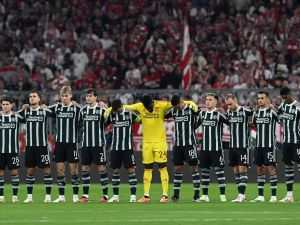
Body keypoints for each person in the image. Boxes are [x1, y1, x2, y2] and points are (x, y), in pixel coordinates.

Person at [104, 94, 197, 202]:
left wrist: (190, 103)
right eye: (146, 108)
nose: (149, 109)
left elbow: (176, 103)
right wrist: (109, 109)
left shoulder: (161, 105)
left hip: (159, 142)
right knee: (147, 168)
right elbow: (125, 107)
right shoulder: (139, 106)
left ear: (152, 102)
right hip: (147, 143)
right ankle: (146, 196)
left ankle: (165, 195)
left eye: (150, 107)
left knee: (162, 168)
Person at [18, 91, 53, 203]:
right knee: (30, 171)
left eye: (34, 97)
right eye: (30, 97)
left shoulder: (44, 110)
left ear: (39, 99)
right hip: (30, 147)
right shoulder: (25, 111)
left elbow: (58, 112)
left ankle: (48, 196)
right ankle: (29, 197)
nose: (32, 98)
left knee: (47, 170)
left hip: (42, 146)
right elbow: (13, 116)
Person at [48, 86, 81, 203]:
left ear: (71, 96)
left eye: (66, 96)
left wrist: (101, 105)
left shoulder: (77, 109)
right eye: (62, 96)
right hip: (60, 144)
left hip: (72, 143)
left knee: (73, 170)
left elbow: (89, 112)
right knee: (60, 170)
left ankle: (75, 196)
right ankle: (61, 197)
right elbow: (43, 110)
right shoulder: (56, 107)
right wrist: (31, 106)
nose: (64, 98)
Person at [165, 95, 200, 202]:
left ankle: (196, 196)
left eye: (178, 106)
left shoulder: (191, 109)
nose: (177, 108)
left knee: (193, 168)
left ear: (181, 102)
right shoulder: (174, 111)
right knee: (177, 169)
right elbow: (162, 115)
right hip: (178, 145)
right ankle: (175, 196)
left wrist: (194, 126)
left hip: (190, 144)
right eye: (175, 107)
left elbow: (202, 115)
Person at [106, 99, 140, 202]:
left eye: (118, 110)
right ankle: (115, 197)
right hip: (115, 148)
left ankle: (133, 196)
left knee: (131, 170)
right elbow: (104, 125)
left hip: (127, 148)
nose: (117, 112)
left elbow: (141, 120)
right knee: (115, 171)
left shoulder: (130, 114)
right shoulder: (112, 115)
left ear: (122, 106)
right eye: (115, 110)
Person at [78, 88, 109, 203]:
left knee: (101, 167)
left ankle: (105, 196)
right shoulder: (83, 110)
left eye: (90, 96)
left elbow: (108, 121)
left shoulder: (101, 109)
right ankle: (85, 195)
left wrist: (105, 107)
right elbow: (79, 123)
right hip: (86, 144)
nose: (88, 98)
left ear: (96, 97)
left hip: (99, 144)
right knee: (85, 168)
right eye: (87, 96)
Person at [198, 93, 227, 202]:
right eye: (206, 99)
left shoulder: (219, 114)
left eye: (210, 100)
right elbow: (195, 125)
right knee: (205, 171)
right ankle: (205, 196)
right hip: (205, 148)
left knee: (219, 171)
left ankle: (222, 195)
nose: (207, 101)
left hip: (216, 148)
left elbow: (229, 122)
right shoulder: (202, 114)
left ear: (216, 102)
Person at [250, 91, 278, 203]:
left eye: (262, 98)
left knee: (271, 170)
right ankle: (260, 196)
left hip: (269, 145)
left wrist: (275, 107)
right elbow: (254, 125)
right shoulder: (256, 113)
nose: (260, 100)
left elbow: (282, 118)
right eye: (258, 98)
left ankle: (273, 196)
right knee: (260, 169)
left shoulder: (271, 111)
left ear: (267, 99)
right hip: (258, 146)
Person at [225, 94, 253, 202]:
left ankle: (241, 195)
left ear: (235, 101)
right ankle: (241, 195)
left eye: (231, 104)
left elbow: (256, 114)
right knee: (236, 171)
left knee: (242, 171)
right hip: (232, 146)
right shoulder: (228, 112)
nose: (229, 106)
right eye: (227, 104)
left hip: (243, 145)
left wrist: (250, 124)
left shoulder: (246, 111)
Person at [278, 87, 300, 203]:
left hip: (297, 141)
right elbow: (278, 117)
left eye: (286, 97)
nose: (284, 100)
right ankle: (289, 195)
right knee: (288, 167)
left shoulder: (298, 107)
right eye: (283, 98)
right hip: (286, 142)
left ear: (291, 94)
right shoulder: (282, 106)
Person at [0, 97, 22, 203]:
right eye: (3, 104)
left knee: (14, 172)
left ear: (11, 105)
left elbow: (30, 117)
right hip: (0, 151)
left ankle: (14, 197)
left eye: (7, 104)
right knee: (0, 173)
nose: (5, 106)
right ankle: (1, 197)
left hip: (12, 150)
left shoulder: (16, 116)